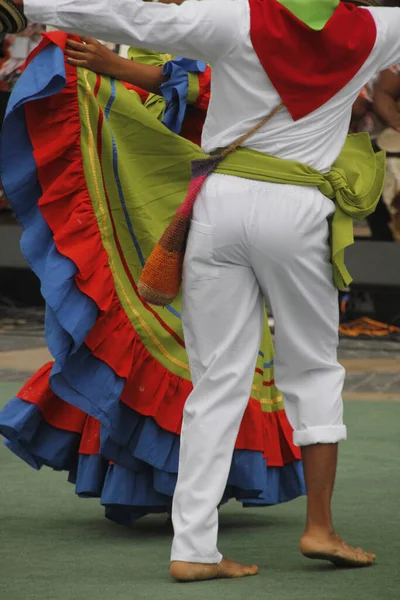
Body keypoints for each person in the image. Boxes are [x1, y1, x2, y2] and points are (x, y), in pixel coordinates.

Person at [2, 0, 399, 582]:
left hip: (220, 205)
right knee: (312, 371)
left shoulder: (236, 17)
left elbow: (130, 17)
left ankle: (194, 548)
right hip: (299, 211)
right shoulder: (381, 28)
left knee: (215, 381)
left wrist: (24, 6)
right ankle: (320, 527)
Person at [0, 33, 304, 527]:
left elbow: (217, 89)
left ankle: (195, 494)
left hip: (213, 193)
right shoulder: (124, 25)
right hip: (143, 196)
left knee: (212, 347)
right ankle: (149, 485)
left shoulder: (230, 21)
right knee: (148, 328)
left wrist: (114, 69)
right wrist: (80, 55)